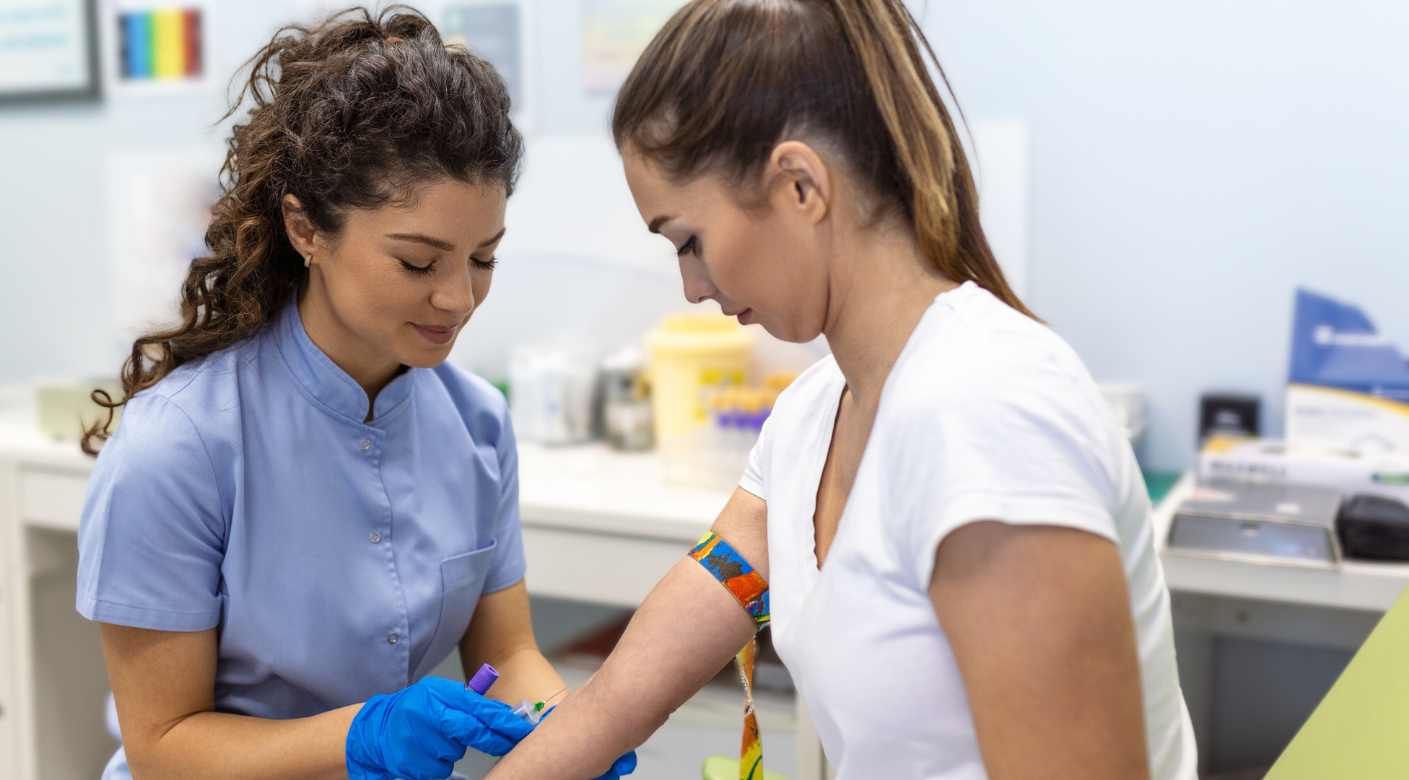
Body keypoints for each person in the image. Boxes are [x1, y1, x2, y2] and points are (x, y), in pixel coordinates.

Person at [486, 1, 1196, 779]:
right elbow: (622, 698)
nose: (690, 287)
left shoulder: (987, 416)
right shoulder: (810, 419)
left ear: (800, 185)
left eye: (690, 241)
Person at [76, 8, 633, 780]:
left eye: (485, 259)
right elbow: (162, 748)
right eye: (417, 262)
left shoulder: (477, 424)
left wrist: (569, 731)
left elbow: (507, 652)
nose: (459, 299)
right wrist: (360, 735)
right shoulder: (178, 448)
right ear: (306, 228)